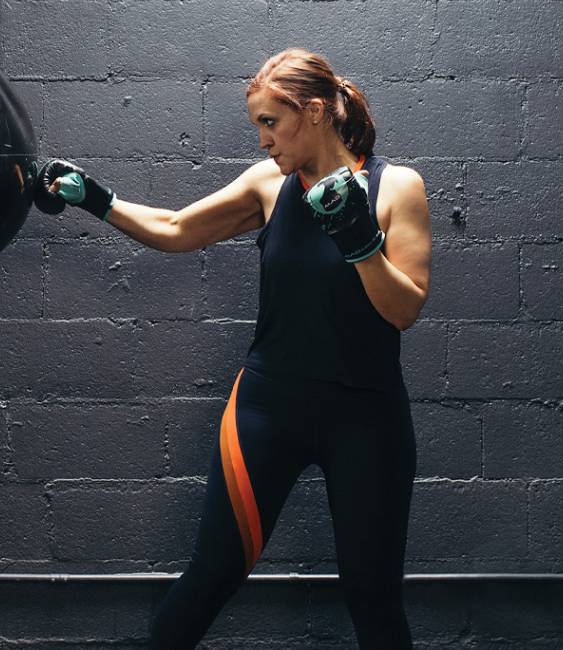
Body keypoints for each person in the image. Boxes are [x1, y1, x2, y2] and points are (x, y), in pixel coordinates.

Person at [37, 48, 432, 649]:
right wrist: (94, 198)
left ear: (317, 112)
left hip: (366, 417)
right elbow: (175, 230)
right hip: (267, 409)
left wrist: (357, 238)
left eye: (271, 123)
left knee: (373, 598)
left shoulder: (395, 187)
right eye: (258, 126)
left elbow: (402, 310)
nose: (263, 140)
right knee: (211, 576)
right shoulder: (268, 185)